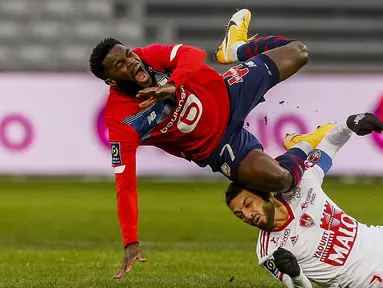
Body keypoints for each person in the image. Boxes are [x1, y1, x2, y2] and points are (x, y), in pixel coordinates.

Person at [88, 9, 332, 278]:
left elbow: (192, 55)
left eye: (129, 55)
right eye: (120, 65)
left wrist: (172, 83)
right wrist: (130, 240)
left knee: (298, 52)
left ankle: (236, 49)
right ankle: (301, 146)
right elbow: (125, 185)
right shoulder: (123, 119)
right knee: (281, 180)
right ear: (110, 81)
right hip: (219, 146)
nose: (132, 62)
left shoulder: (150, 57)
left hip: (228, 91)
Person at [226, 113, 383, 288]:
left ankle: (301, 143)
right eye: (240, 215)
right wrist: (296, 274)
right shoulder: (268, 251)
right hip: (369, 281)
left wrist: (349, 123)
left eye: (248, 204)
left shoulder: (302, 183)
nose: (248, 215)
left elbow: (330, 144)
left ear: (264, 193)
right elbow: (300, 286)